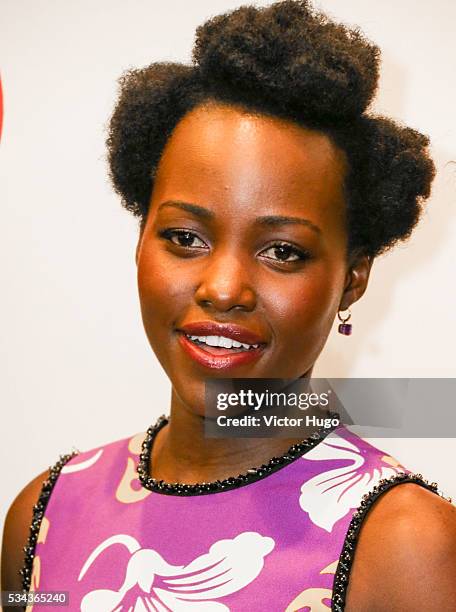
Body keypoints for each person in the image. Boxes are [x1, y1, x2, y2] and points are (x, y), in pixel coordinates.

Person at [2, 1, 455, 610]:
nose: (222, 288)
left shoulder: (404, 546)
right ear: (141, 244)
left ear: (351, 280)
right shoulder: (42, 515)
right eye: (185, 238)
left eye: (282, 252)